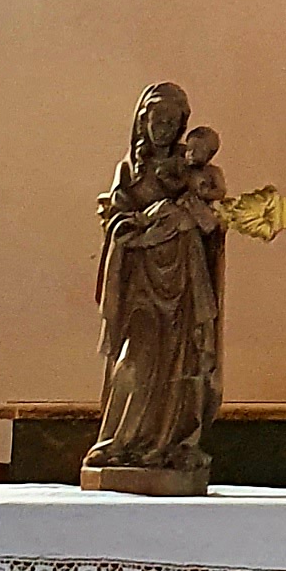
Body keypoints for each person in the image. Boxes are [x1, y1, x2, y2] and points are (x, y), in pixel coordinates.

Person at [84, 83, 236, 492]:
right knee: (132, 362)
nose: (164, 127)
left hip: (184, 278)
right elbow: (116, 220)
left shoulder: (194, 170)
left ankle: (172, 445)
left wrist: (187, 213)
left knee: (183, 364)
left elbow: (215, 220)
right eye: (158, 119)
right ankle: (119, 443)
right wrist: (143, 223)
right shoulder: (129, 171)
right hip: (140, 279)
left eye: (172, 121)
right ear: (143, 122)